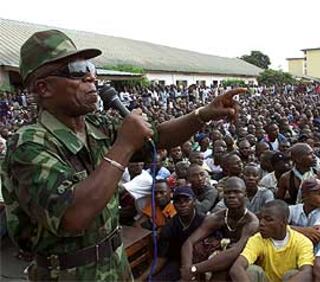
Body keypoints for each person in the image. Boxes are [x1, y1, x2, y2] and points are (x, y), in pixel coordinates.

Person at [2, 30, 245, 281]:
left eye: (90, 67)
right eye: (76, 70)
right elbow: (72, 216)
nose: (90, 77)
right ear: (44, 88)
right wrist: (125, 143)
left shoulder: (96, 125)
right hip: (67, 274)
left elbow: (156, 138)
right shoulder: (28, 145)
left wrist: (203, 114)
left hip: (114, 264)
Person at [180, 177, 259, 281]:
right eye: (227, 192)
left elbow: (235, 252)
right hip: (217, 259)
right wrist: (187, 267)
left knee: (222, 272)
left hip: (241, 261)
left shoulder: (252, 222)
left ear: (245, 195)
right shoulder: (216, 217)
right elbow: (189, 242)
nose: (231, 196)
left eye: (236, 192)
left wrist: (194, 269)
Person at [230, 200, 314, 282]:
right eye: (261, 218)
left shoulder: (302, 242)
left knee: (293, 274)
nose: (262, 223)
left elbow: (307, 272)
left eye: (268, 219)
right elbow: (237, 268)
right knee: (251, 271)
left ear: (284, 222)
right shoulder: (257, 239)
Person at [138, 186, 204, 281]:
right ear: (174, 205)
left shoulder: (204, 220)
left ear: (194, 201)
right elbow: (161, 258)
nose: (183, 204)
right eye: (178, 202)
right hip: (178, 262)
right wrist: (140, 279)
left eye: (186, 200)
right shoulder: (169, 227)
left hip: (202, 260)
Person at [289, 178, 320, 246]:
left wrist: (286, 228)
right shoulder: (292, 209)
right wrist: (306, 231)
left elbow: (316, 235)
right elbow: (275, 226)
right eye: (319, 193)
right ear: (305, 195)